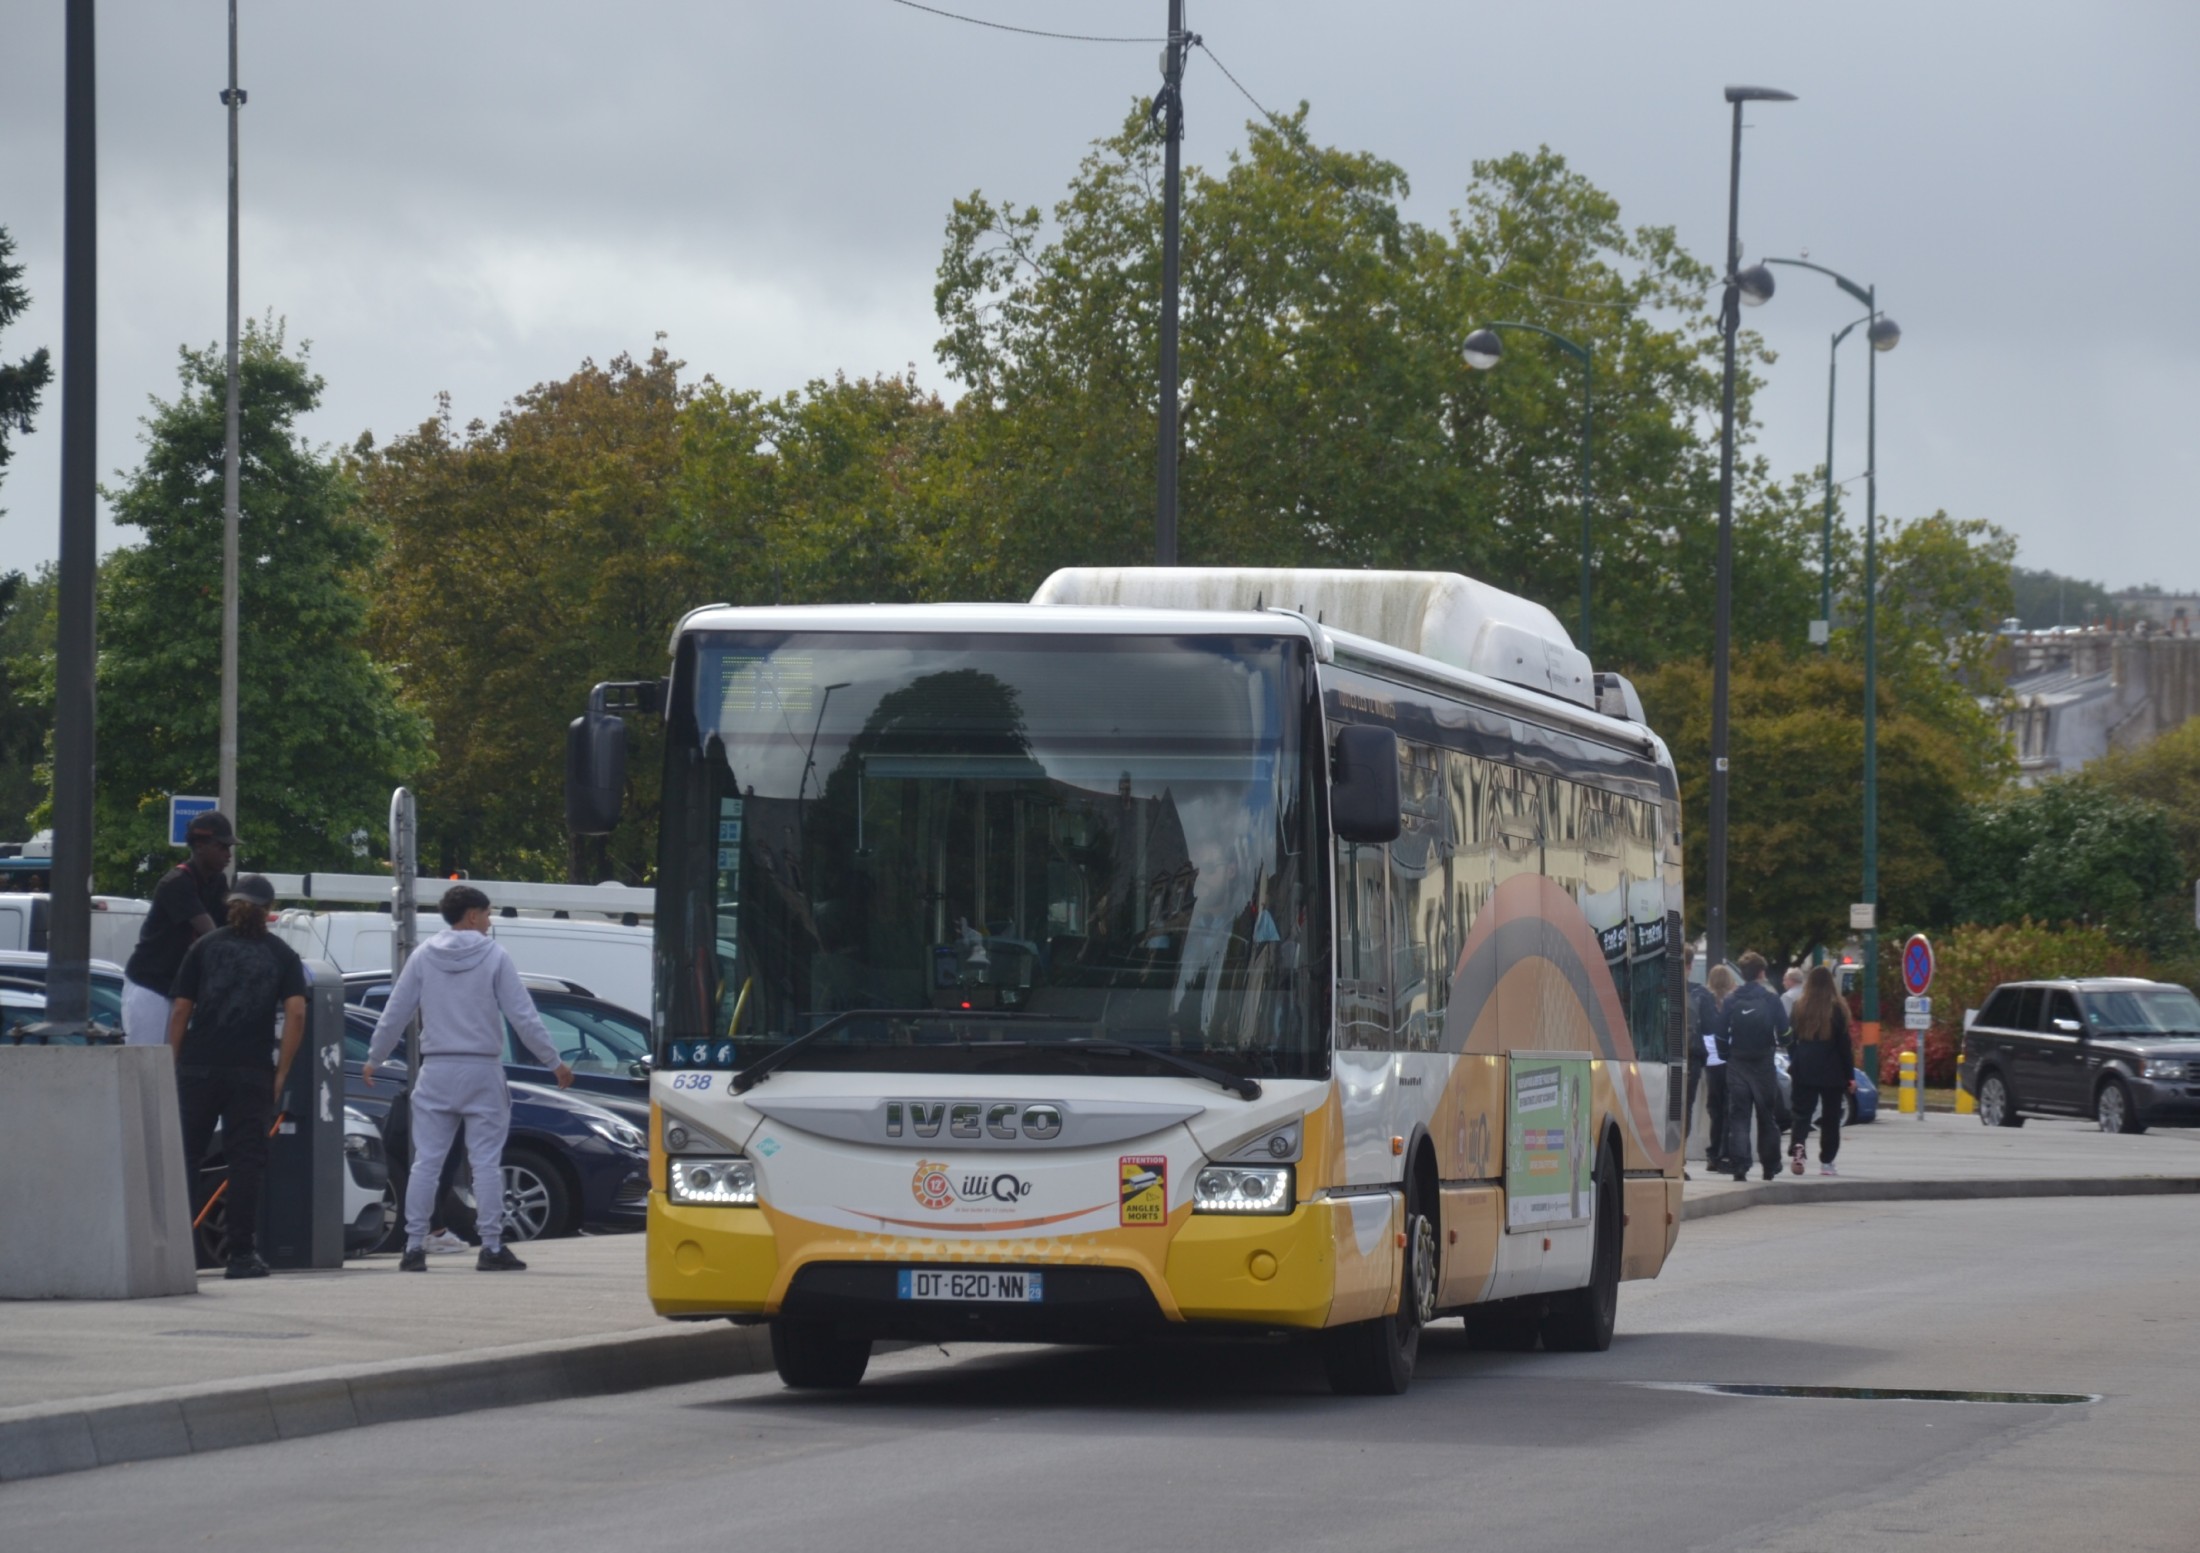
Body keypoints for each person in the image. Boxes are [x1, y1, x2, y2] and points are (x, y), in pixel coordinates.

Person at [363, 885, 573, 1272]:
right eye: (488, 914)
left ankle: (414, 1246)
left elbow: (396, 1010)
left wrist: (375, 1057)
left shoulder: (423, 955)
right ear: (472, 916)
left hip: (436, 1069)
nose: (490, 922)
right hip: (482, 1069)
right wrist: (554, 1061)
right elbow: (522, 1015)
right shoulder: (495, 956)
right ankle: (491, 1246)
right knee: (486, 1164)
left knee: (426, 1162)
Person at [167, 874, 308, 1279]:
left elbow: (181, 1010)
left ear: (231, 905)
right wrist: (281, 1072)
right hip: (251, 1070)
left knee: (186, 1155)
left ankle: (175, 1251)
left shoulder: (204, 947)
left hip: (198, 1066)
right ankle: (241, 1254)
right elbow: (297, 1013)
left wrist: (171, 1063)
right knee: (245, 1160)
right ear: (269, 911)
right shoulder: (282, 955)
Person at [122, 811, 236, 1045]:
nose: (228, 854)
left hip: (178, 989)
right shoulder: (176, 882)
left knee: (176, 1063)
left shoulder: (217, 881)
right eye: (222, 846)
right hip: (150, 986)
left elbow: (232, 927)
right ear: (200, 846)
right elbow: (211, 934)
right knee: (148, 1060)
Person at [1718, 951, 1792, 1183]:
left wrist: (1726, 1055)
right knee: (1766, 1116)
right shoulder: (1771, 1000)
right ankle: (1770, 1166)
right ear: (1761, 973)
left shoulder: (1731, 1000)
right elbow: (1785, 1033)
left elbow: (1720, 1034)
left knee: (1739, 1117)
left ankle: (1740, 1166)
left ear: (1742, 973)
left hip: (1737, 1063)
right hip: (1763, 1064)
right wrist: (1783, 1042)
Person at [1787, 965, 1856, 1176]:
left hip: (1804, 1066)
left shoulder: (1799, 1006)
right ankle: (1827, 1162)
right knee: (1831, 1118)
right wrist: (1850, 1076)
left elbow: (1791, 1038)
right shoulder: (1838, 1008)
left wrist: (1796, 1059)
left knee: (1801, 1113)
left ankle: (1798, 1147)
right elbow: (1844, 1045)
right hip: (1831, 1069)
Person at [1702, 962, 1739, 1173]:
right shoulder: (1732, 1002)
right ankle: (1725, 1153)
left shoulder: (1705, 1000)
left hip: (1711, 1062)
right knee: (1728, 1110)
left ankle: (1712, 1154)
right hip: (1729, 1060)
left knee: (1715, 1111)